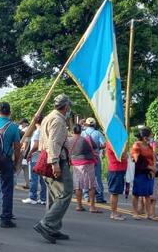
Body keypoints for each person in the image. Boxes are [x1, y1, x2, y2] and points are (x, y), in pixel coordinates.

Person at [33, 94, 73, 244]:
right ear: (66, 106)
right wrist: (55, 163)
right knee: (65, 193)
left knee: (54, 194)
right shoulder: (57, 120)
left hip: (47, 158)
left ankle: (53, 227)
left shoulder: (50, 117)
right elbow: (54, 143)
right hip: (56, 159)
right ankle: (47, 224)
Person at [68, 124, 101, 213]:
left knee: (78, 185)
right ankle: (92, 207)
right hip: (88, 163)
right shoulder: (86, 139)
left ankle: (79, 205)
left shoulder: (69, 141)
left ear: (73, 131)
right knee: (91, 185)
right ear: (81, 130)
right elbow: (95, 147)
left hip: (75, 164)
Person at [130, 126, 158, 221]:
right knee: (137, 193)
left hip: (149, 172)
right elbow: (138, 160)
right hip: (140, 172)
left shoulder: (148, 146)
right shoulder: (137, 145)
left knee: (147, 194)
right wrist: (150, 167)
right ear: (145, 137)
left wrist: (154, 168)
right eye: (150, 136)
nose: (151, 137)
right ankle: (135, 212)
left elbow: (153, 156)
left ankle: (149, 213)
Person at [22, 120, 47, 205]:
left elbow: (36, 145)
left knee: (34, 178)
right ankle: (43, 198)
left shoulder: (37, 132)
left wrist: (30, 153)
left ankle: (33, 197)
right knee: (42, 179)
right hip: (43, 157)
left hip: (36, 157)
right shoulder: (45, 131)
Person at [82, 118, 106, 204]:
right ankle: (99, 197)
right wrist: (98, 148)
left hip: (84, 158)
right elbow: (104, 144)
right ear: (94, 125)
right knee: (97, 177)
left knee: (85, 176)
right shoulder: (98, 133)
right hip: (95, 158)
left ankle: (86, 195)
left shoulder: (83, 133)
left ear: (86, 124)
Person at [104, 141, 127, 221]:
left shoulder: (116, 143)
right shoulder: (112, 143)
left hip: (119, 169)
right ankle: (113, 213)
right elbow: (120, 156)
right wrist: (125, 153)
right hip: (115, 169)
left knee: (116, 192)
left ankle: (115, 211)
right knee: (114, 192)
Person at [17, 119, 31, 188]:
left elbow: (25, 144)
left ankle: (14, 182)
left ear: (25, 123)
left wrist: (23, 153)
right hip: (25, 153)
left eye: (22, 123)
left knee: (18, 169)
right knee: (25, 169)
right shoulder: (24, 129)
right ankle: (28, 184)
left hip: (23, 153)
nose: (21, 124)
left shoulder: (26, 131)